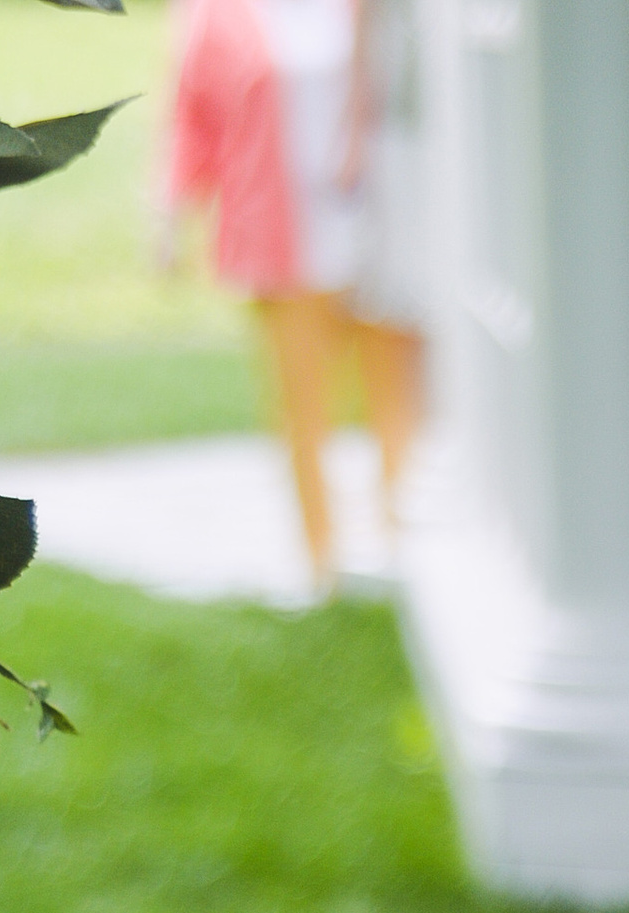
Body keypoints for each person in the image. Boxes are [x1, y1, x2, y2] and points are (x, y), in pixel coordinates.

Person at [162, 0, 418, 589]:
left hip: (379, 234)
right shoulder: (215, 14)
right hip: (282, 241)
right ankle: (320, 562)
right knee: (303, 402)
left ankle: (401, 543)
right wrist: (171, 218)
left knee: (393, 393)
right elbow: (190, 114)